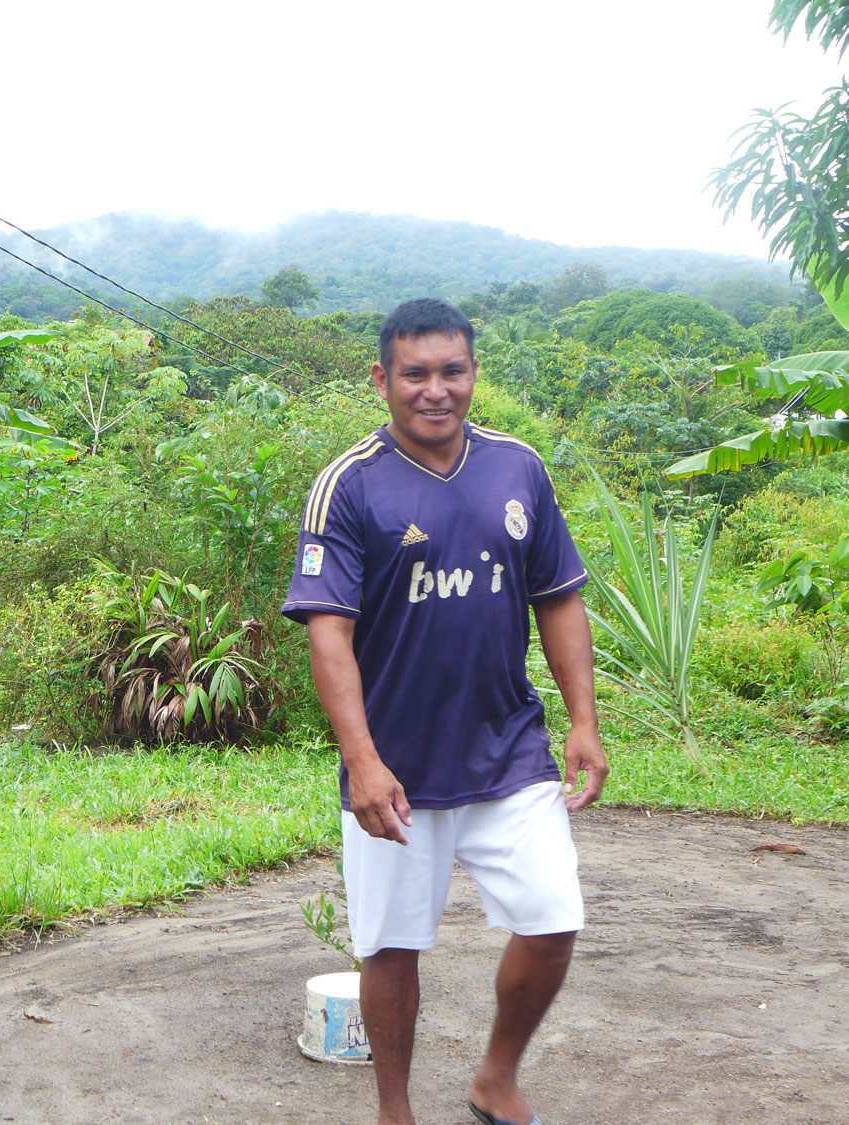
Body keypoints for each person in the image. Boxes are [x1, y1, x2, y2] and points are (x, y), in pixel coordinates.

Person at [282, 299, 607, 1125]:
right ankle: (396, 1109)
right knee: (390, 945)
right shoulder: (348, 486)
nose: (436, 390)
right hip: (397, 771)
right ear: (382, 379)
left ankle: (496, 1079)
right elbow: (330, 638)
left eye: (452, 371)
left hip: (509, 752)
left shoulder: (518, 469)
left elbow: (559, 598)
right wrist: (361, 758)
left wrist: (583, 720)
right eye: (416, 374)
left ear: (473, 373)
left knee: (554, 914)